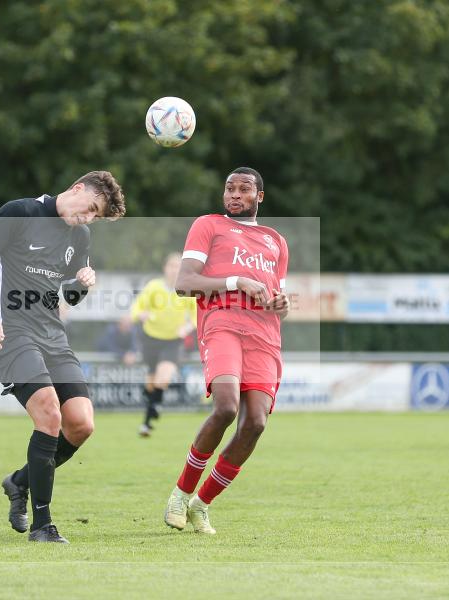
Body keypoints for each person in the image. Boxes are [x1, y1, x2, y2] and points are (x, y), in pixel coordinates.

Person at [0, 171, 125, 543]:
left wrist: (79, 285)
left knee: (81, 424)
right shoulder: (20, 212)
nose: (87, 219)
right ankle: (42, 525)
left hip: (53, 337)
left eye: (95, 217)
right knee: (49, 413)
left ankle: (18, 481)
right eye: (89, 209)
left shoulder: (79, 237)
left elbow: (64, 297)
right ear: (76, 189)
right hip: (11, 333)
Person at [163, 167, 288, 534]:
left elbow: (278, 295)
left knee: (255, 423)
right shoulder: (209, 225)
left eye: (244, 189)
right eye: (229, 188)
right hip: (222, 324)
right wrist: (237, 281)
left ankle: (202, 505)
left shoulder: (276, 241)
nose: (234, 194)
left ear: (259, 197)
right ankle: (181, 494)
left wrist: (282, 304)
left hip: (265, 336)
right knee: (227, 406)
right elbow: (184, 284)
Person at [130, 252, 196, 437]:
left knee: (163, 377)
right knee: (151, 382)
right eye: (171, 265)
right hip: (150, 338)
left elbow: (196, 316)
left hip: (173, 340)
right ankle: (147, 421)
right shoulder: (154, 287)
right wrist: (141, 315)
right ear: (165, 268)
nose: (175, 270)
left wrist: (188, 327)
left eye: (178, 266)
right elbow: (136, 308)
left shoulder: (187, 289)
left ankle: (155, 405)